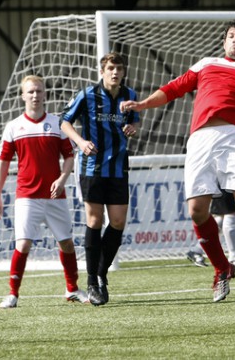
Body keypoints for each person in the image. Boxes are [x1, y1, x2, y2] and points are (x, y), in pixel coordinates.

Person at [120, 19, 235, 302]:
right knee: (197, 210)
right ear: (224, 42)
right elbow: (173, 88)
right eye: (231, 36)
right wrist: (142, 104)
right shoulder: (206, 63)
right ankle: (222, 269)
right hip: (200, 140)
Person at [0, 75, 88, 308]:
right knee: (23, 244)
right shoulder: (13, 127)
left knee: (66, 243)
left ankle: (72, 289)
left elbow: (69, 156)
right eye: (31, 92)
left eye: (39, 91)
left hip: (55, 195)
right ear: (23, 96)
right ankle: (13, 294)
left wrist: (63, 179)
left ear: (45, 94)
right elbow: (3, 163)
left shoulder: (58, 124)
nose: (35, 95)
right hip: (27, 195)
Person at [61, 52, 140, 306]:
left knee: (117, 222)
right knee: (94, 220)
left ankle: (101, 272)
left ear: (123, 71)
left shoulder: (130, 96)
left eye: (118, 68)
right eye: (110, 69)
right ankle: (92, 282)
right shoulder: (87, 95)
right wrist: (81, 141)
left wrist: (132, 128)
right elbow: (65, 122)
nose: (115, 73)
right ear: (102, 71)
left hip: (118, 167)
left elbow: (134, 123)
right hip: (92, 167)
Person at [186, 191, 235, 268]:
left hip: (222, 182)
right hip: (222, 182)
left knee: (222, 216)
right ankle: (234, 256)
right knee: (229, 213)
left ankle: (197, 250)